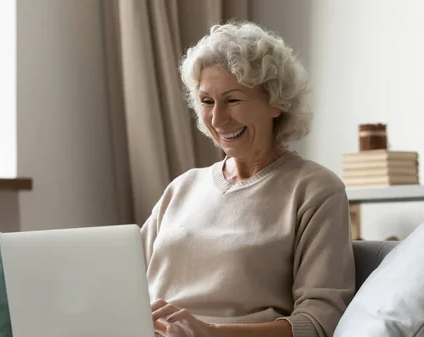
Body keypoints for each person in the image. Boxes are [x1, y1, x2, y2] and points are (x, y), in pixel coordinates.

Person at [141, 21, 355, 337]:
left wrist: (211, 333)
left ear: (276, 102)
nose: (217, 119)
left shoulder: (314, 190)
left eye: (233, 99)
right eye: (207, 101)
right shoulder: (182, 188)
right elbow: (122, 283)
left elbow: (319, 322)